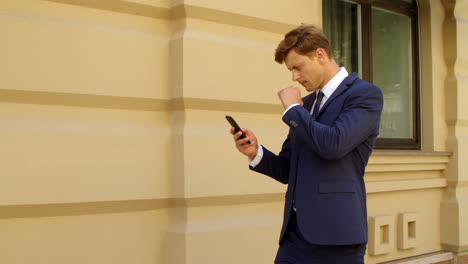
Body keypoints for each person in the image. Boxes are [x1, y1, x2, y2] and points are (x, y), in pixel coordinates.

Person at [230, 24, 383, 264]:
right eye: (291, 70)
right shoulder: (307, 103)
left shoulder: (365, 95)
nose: (294, 77)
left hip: (337, 237)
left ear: (320, 55)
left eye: (298, 67)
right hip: (295, 237)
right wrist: (255, 152)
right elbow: (287, 169)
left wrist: (293, 109)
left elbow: (333, 144)